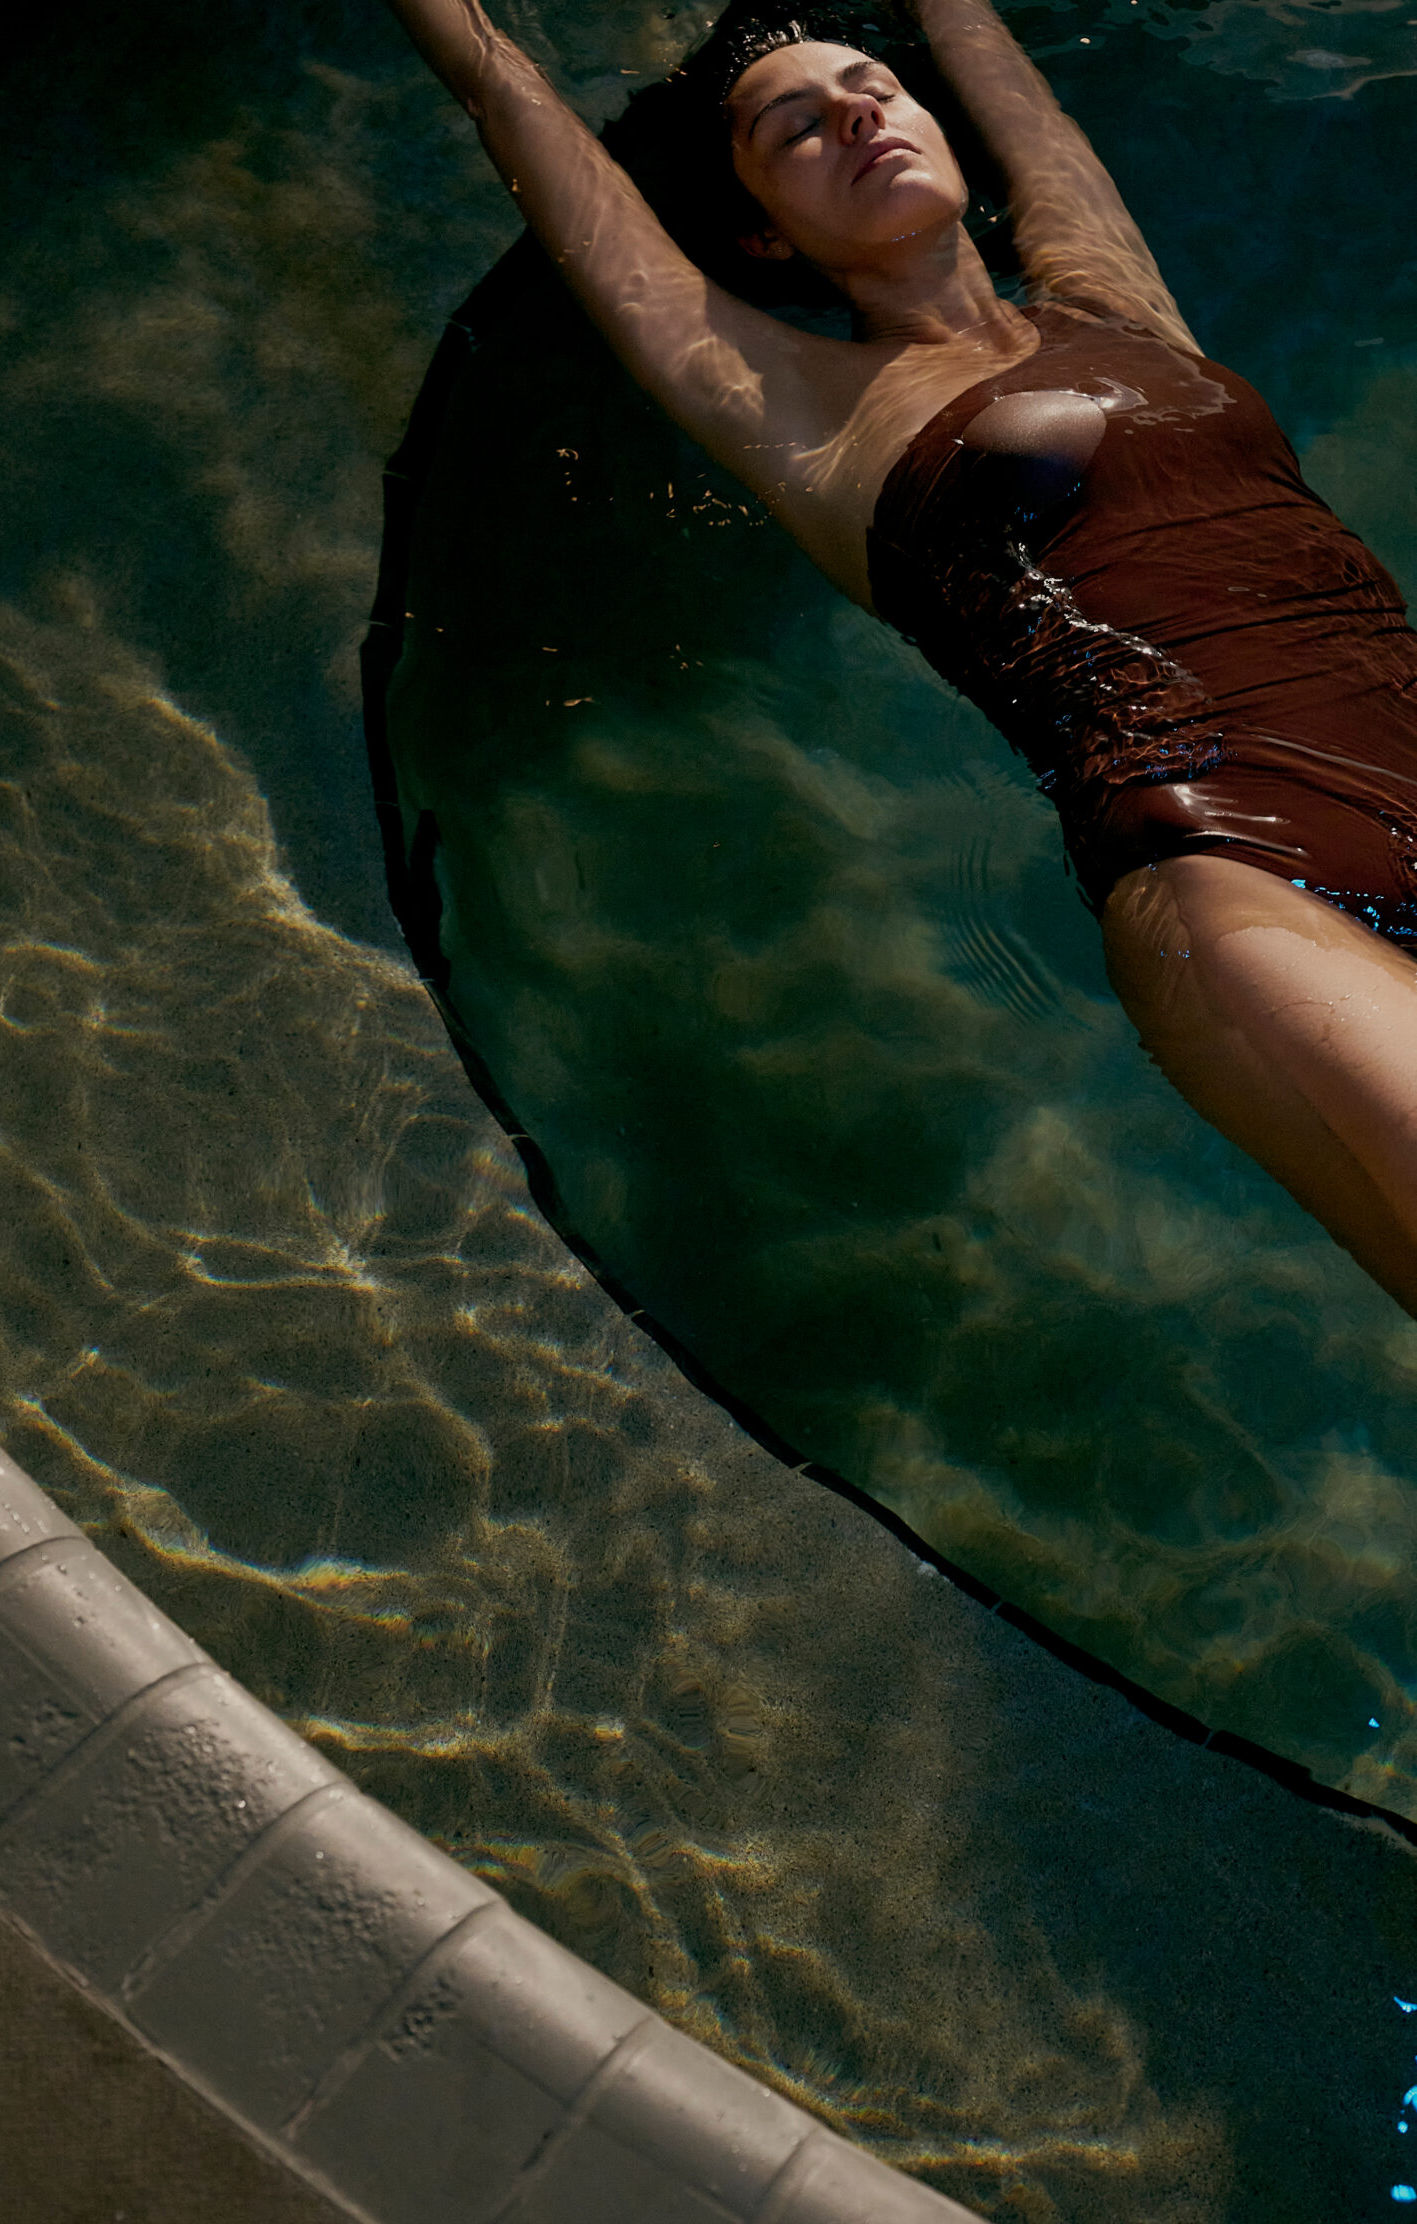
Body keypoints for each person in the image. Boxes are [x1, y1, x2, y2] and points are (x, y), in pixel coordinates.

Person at [381, 0, 1417, 1319]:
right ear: (763, 232)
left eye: (872, 87)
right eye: (796, 128)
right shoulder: (801, 411)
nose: (858, 113)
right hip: (1235, 874)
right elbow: (518, 116)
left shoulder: (1115, 302)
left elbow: (1011, 87)